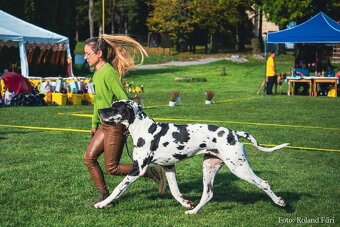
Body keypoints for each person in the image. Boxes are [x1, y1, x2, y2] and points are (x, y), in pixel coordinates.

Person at [83, 34, 167, 207]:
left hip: (115, 126)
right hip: (104, 125)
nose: (85, 57)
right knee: (89, 158)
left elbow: (124, 99)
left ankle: (150, 172)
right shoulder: (97, 74)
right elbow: (98, 102)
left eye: (88, 53)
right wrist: (94, 125)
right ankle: (103, 194)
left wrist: (128, 125)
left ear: (99, 53)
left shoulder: (108, 73)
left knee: (112, 168)